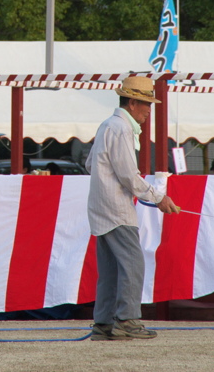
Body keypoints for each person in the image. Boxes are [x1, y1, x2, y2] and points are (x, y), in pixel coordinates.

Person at [86, 76, 179, 341]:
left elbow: (91, 165)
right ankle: (127, 320)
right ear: (132, 103)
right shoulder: (122, 129)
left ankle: (103, 324)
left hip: (100, 205)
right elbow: (128, 174)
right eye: (146, 104)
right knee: (133, 263)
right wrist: (158, 197)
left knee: (110, 269)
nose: (149, 110)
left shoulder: (107, 125)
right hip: (117, 208)